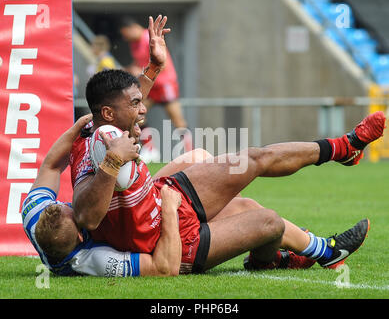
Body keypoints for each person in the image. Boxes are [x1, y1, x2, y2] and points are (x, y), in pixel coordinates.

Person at [70, 66, 384, 274]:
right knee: (267, 220)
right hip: (169, 238)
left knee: (250, 160)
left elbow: (120, 106)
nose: (143, 109)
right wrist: (112, 164)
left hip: (162, 198)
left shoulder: (88, 130)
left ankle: (344, 148)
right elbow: (87, 216)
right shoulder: (103, 147)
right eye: (135, 104)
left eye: (142, 101)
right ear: (109, 113)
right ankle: (321, 253)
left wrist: (153, 66)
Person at [22, 114, 182, 277]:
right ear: (80, 236)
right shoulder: (92, 260)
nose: (75, 208)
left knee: (197, 156)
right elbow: (162, 268)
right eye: (75, 213)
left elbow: (51, 165)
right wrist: (169, 209)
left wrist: (78, 127)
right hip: (151, 232)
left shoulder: (33, 211)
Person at [119, 17, 192, 162]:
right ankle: (150, 149)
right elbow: (138, 62)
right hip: (150, 83)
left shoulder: (148, 38)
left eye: (125, 34)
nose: (125, 38)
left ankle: (190, 153)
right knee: (136, 114)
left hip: (164, 83)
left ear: (133, 28)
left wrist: (139, 70)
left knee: (178, 121)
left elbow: (160, 62)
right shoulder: (134, 44)